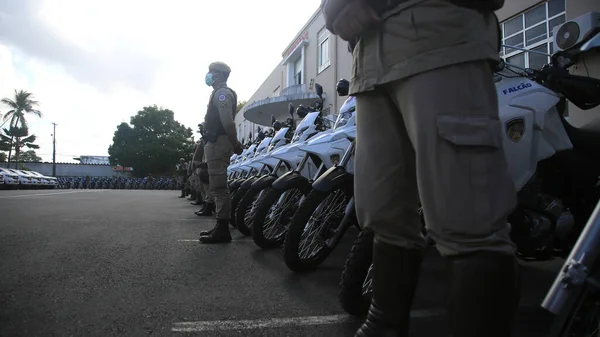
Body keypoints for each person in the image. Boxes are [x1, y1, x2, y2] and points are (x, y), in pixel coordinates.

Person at [322, 1, 520, 337]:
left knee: (468, 221)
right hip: (369, 66)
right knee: (383, 213)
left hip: (438, 40)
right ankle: (383, 325)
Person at [198, 61, 243, 244]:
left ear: (219, 75)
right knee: (217, 186)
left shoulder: (223, 94)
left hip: (219, 144)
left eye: (211, 72)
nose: (208, 75)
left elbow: (228, 123)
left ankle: (223, 230)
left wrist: (235, 143)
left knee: (219, 187)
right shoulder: (217, 93)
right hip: (215, 143)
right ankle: (220, 225)